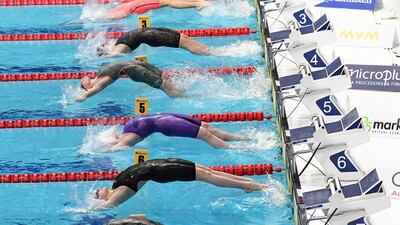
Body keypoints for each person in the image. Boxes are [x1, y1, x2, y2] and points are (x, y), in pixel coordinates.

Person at [92, 158, 266, 210]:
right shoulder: (119, 193)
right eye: (96, 195)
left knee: (208, 172)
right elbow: (110, 205)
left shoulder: (114, 185)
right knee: (206, 176)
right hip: (162, 171)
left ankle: (248, 182)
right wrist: (88, 209)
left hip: (161, 163)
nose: (97, 192)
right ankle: (247, 186)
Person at [101, 113, 249, 153]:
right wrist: (102, 151)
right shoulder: (129, 135)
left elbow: (116, 144)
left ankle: (244, 139)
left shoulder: (127, 133)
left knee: (209, 129)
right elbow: (117, 147)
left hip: (164, 117)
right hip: (165, 121)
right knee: (207, 134)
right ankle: (240, 148)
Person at [76, 60, 180, 102]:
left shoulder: (101, 77)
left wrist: (79, 98)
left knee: (168, 86)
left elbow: (92, 91)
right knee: (167, 85)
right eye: (82, 84)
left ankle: (183, 96)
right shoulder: (102, 75)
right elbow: (93, 89)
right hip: (139, 67)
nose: (83, 80)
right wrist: (81, 96)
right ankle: (182, 95)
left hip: (139, 67)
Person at [96, 27, 210, 57]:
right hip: (148, 30)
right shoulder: (119, 41)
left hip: (150, 35)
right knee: (185, 39)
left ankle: (212, 53)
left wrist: (105, 55)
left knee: (185, 43)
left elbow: (114, 55)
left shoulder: (117, 49)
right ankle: (209, 50)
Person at [106, 0, 209, 20]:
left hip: (131, 6)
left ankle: (198, 2)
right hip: (133, 7)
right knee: (167, 1)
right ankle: (198, 3)